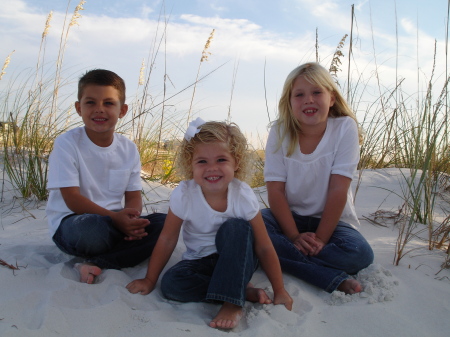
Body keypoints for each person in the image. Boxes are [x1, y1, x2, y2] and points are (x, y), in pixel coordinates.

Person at [126, 119, 293, 330]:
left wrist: (279, 290)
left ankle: (232, 302)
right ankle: (241, 290)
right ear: (190, 164)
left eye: (221, 159)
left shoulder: (242, 195)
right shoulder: (184, 194)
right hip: (200, 262)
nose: (211, 168)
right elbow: (168, 239)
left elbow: (263, 245)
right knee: (171, 285)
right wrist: (150, 279)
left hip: (241, 258)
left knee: (236, 228)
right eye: (202, 161)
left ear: (237, 162)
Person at [262, 62, 374, 294]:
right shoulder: (280, 131)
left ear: (331, 98)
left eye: (316, 92)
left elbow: (337, 190)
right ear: (289, 102)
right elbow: (275, 191)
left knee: (359, 254)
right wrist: (293, 236)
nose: (308, 100)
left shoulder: (344, 128)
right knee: (248, 227)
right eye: (299, 94)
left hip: (333, 224)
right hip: (287, 220)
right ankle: (326, 276)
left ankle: (274, 257)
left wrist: (321, 239)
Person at [46, 69, 165, 284]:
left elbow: (133, 196)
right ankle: (120, 248)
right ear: (78, 108)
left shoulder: (128, 149)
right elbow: (72, 199)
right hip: (75, 224)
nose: (99, 110)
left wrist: (132, 219)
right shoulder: (67, 144)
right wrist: (115, 220)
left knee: (165, 223)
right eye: (90, 102)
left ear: (122, 110)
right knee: (93, 230)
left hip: (115, 221)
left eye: (109, 103)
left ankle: (97, 263)